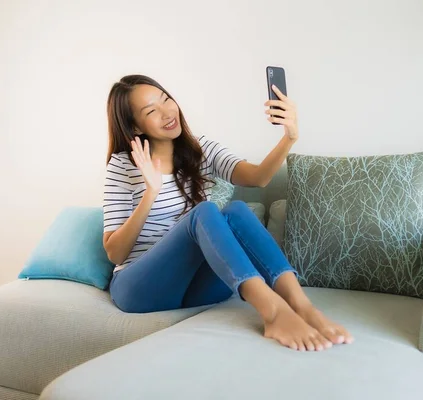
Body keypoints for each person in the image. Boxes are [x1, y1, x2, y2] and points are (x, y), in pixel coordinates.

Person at [103, 75, 353, 352]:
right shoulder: (123, 166)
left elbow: (258, 178)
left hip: (195, 290)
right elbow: (115, 254)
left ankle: (302, 306)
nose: (166, 113)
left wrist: (289, 137)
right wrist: (150, 192)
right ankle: (273, 313)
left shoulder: (201, 149)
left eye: (165, 99)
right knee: (205, 211)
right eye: (151, 111)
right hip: (142, 290)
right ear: (135, 125)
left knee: (236, 210)